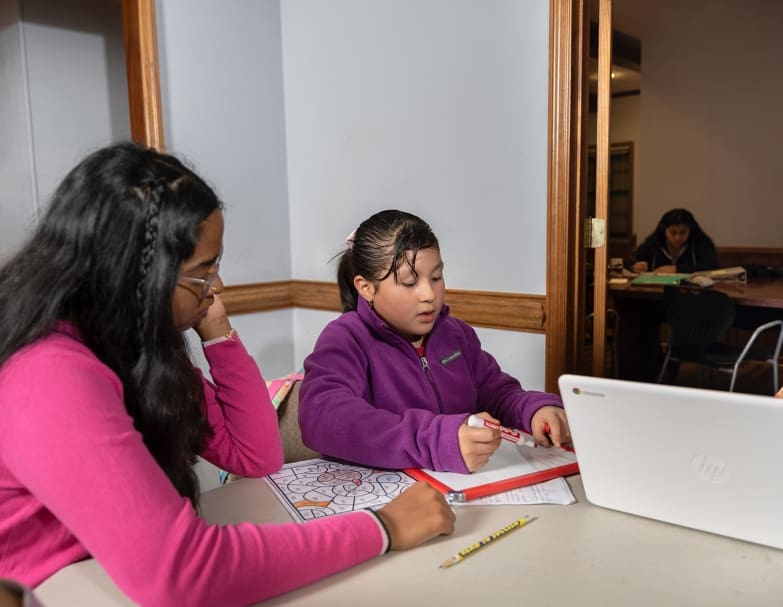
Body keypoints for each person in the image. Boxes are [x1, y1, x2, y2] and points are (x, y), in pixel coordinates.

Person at [0, 144, 454, 606]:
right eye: (202, 272)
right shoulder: (49, 373)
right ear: (138, 276)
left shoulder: (134, 349)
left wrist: (218, 333)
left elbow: (255, 455)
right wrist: (382, 527)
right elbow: (183, 573)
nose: (216, 287)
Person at [299, 209, 571, 473]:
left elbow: (497, 393)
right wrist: (437, 441)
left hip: (462, 491)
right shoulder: (347, 338)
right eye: (409, 282)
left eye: (437, 277)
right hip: (393, 501)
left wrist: (534, 410)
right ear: (366, 288)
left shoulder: (456, 334)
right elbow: (322, 419)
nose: (429, 294)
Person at [624, 208, 719, 274]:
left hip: (691, 294)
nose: (677, 237)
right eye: (673, 233)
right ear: (664, 231)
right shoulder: (654, 243)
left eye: (683, 232)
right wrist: (634, 266)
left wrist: (676, 269)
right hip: (656, 294)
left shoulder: (699, 242)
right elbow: (629, 261)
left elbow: (712, 266)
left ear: (691, 230)